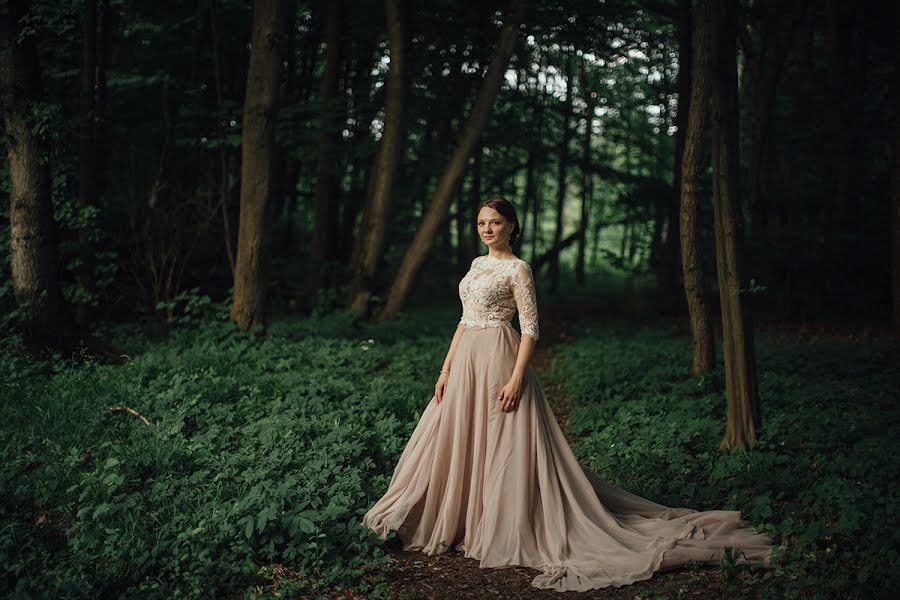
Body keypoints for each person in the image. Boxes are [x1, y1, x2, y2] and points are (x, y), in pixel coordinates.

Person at [361, 197, 783, 592]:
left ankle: (502, 524)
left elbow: (530, 329)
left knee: (503, 444)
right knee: (460, 439)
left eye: (495, 223)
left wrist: (517, 378)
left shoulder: (518, 269)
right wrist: (446, 368)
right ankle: (464, 518)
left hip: (498, 360)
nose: (487, 229)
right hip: (466, 358)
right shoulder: (475, 264)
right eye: (481, 223)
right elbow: (463, 319)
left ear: (512, 227)